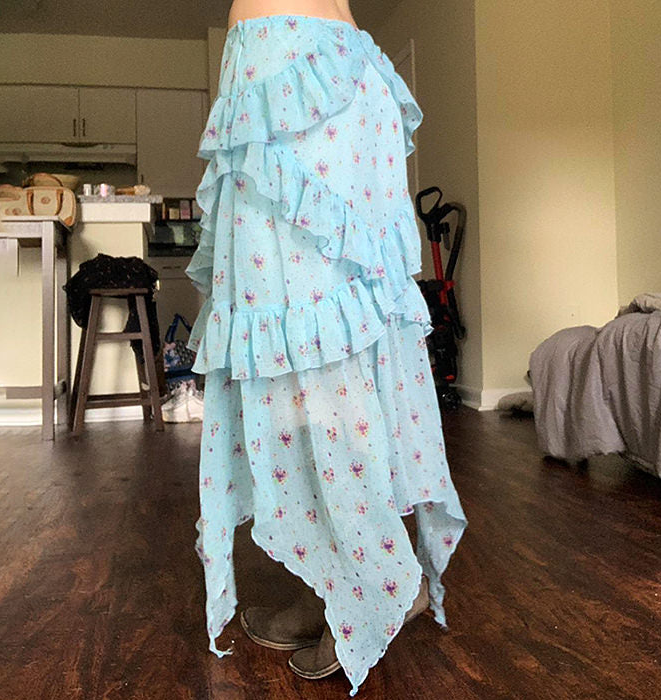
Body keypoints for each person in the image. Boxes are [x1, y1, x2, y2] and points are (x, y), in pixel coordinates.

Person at [186, 1, 468, 695]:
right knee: (314, 339)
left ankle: (379, 579)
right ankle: (337, 583)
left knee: (314, 341)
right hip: (327, 68)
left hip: (292, 69)